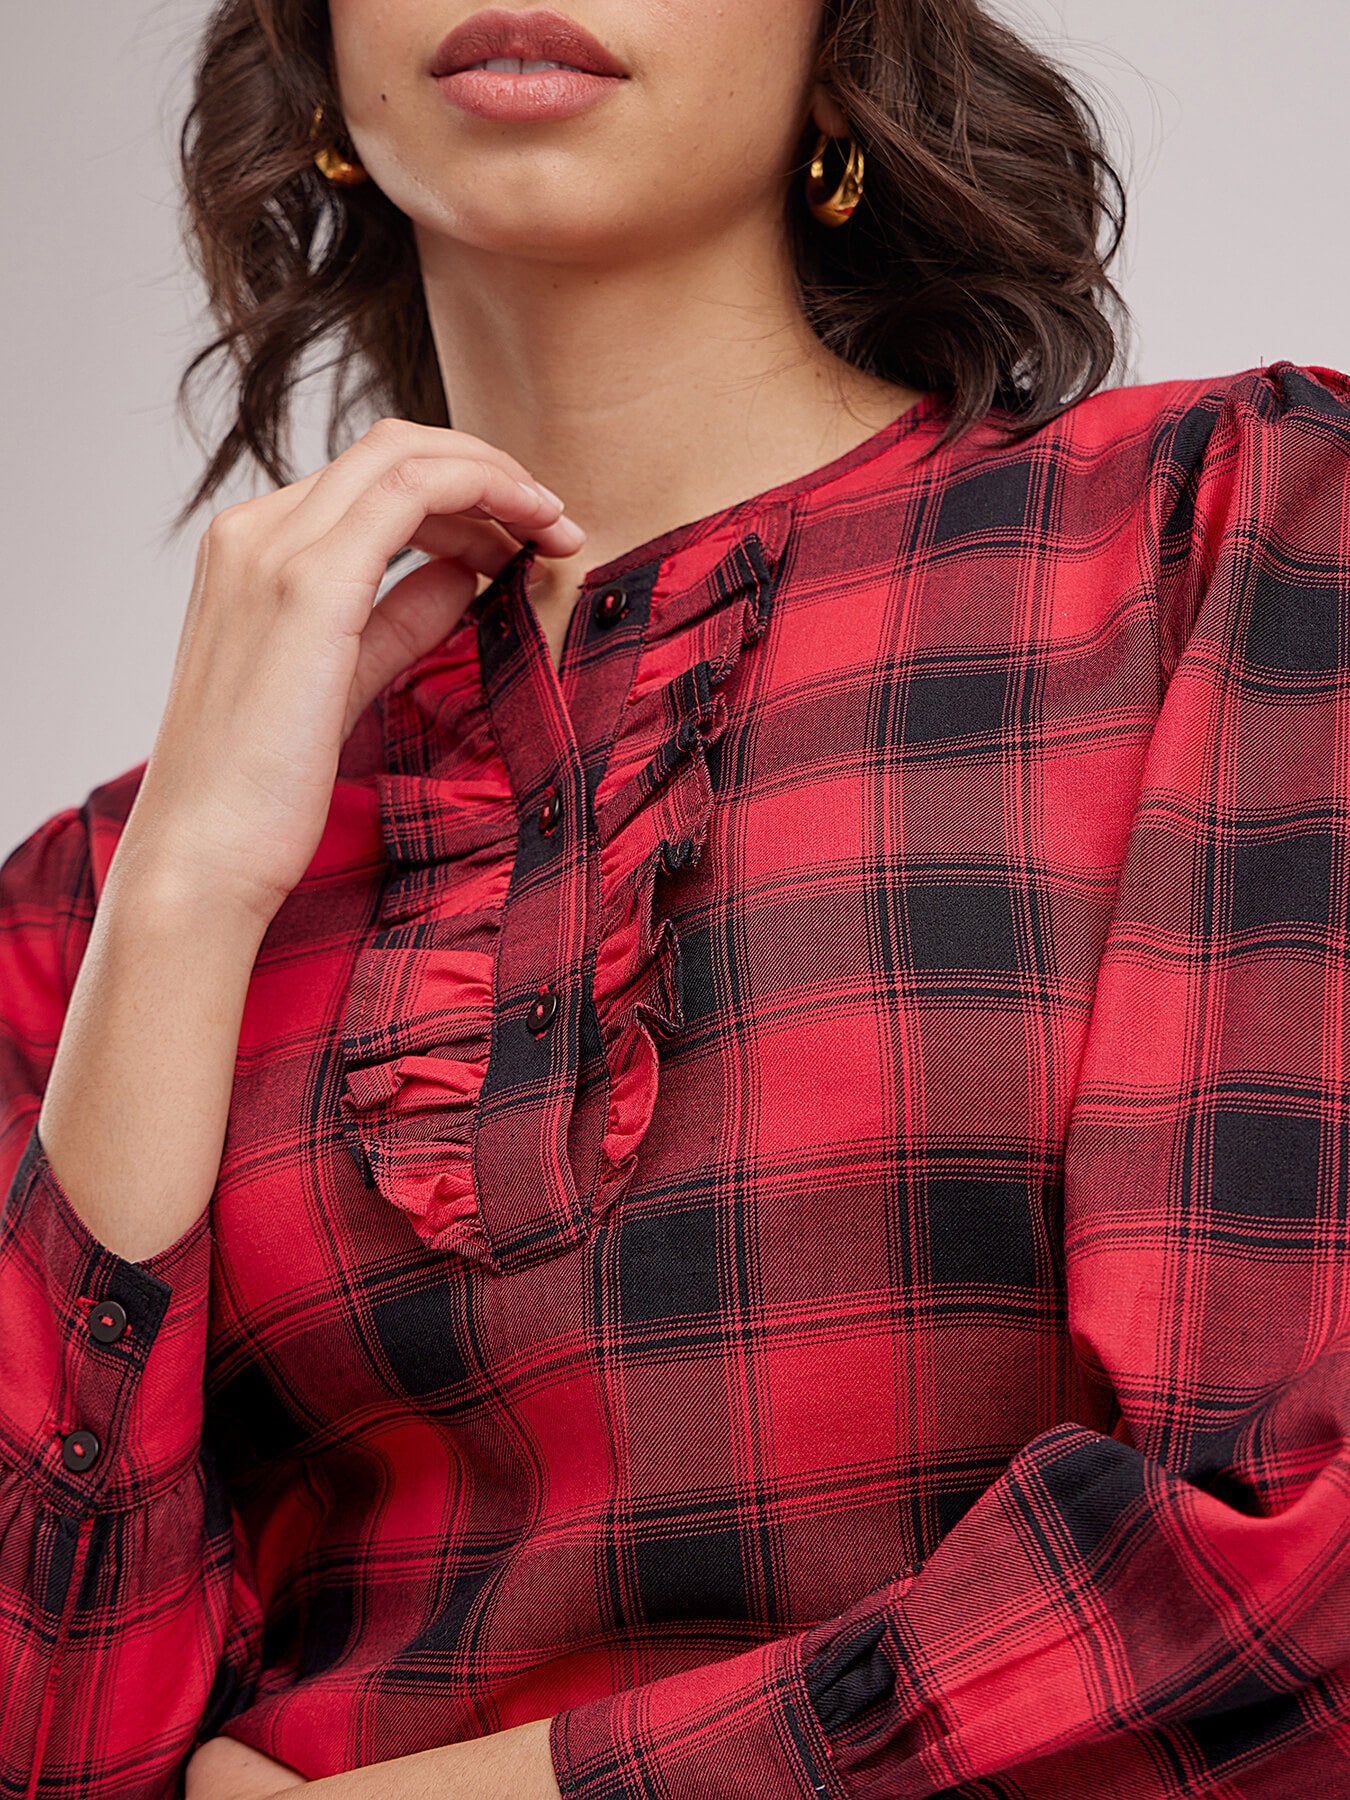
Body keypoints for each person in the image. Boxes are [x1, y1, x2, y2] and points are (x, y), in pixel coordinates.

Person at [2, 0, 1348, 1793]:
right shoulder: (84, 906)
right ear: (318, 61)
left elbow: (1286, 1527)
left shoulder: (1226, 541)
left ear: (847, 37)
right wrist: (180, 895)